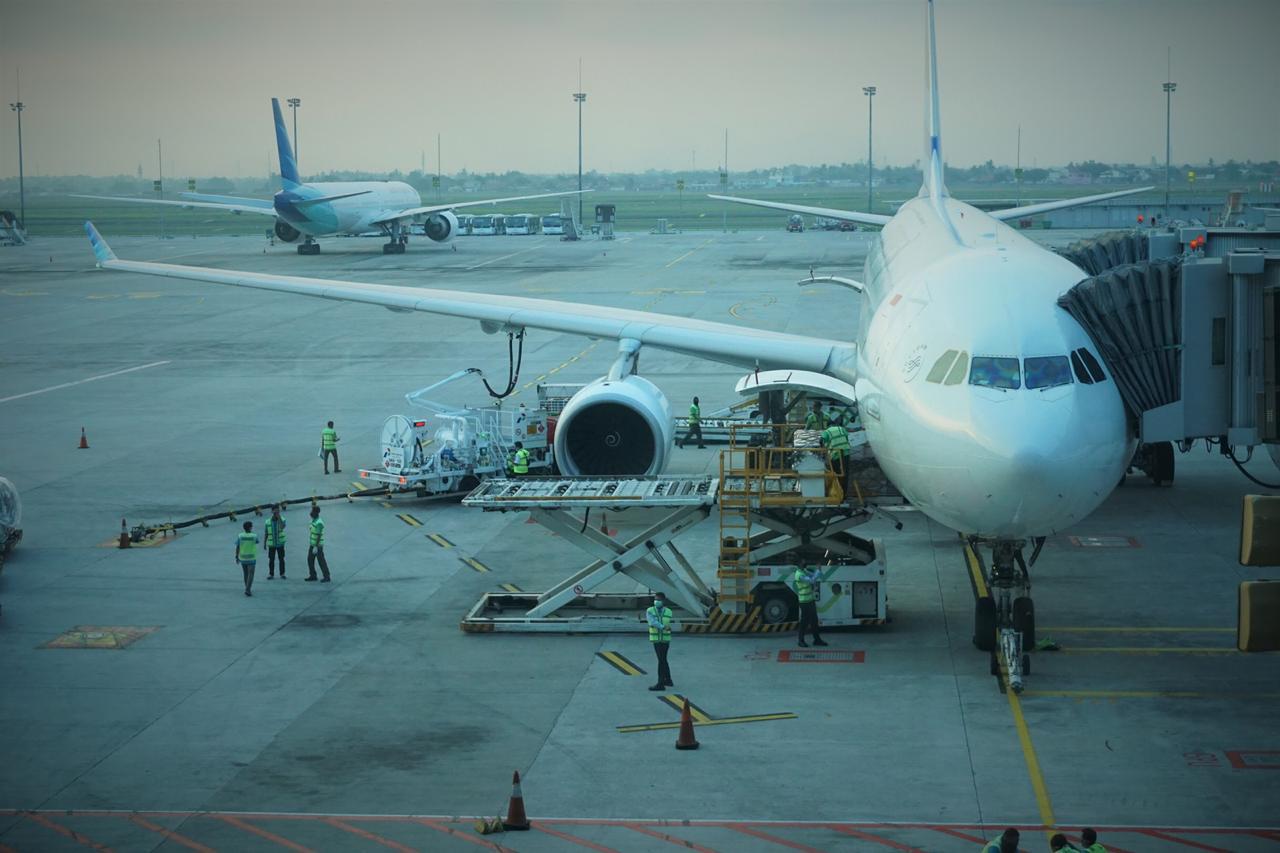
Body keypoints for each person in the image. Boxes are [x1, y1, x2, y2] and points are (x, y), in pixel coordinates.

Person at [646, 591, 674, 691]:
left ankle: (660, 684)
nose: (656, 601)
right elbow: (652, 622)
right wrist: (663, 627)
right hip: (657, 639)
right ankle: (668, 680)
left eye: (658, 600)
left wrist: (664, 628)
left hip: (665, 640)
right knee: (663, 660)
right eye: (655, 599)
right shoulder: (650, 610)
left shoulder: (668, 611)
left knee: (661, 660)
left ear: (663, 601)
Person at [793, 565, 827, 647]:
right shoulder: (799, 574)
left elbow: (812, 575)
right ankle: (800, 641)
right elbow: (811, 580)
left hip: (810, 600)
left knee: (814, 620)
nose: (805, 563)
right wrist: (818, 572)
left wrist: (816, 572)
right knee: (804, 622)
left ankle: (817, 640)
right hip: (804, 601)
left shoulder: (803, 571)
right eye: (803, 562)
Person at [820, 422, 852, 499]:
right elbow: (847, 439)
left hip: (836, 455)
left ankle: (836, 494)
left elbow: (821, 440)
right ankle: (844, 495)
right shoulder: (842, 429)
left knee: (835, 474)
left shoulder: (826, 431)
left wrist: (822, 450)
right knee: (845, 474)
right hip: (846, 453)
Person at [305, 505, 331, 582]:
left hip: (317, 545)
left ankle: (327, 576)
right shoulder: (314, 520)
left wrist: (316, 546)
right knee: (310, 559)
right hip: (312, 544)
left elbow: (319, 535)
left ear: (316, 512)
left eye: (312, 511)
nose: (311, 512)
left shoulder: (319, 523)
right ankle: (313, 575)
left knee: (321, 561)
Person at [234, 520, 257, 597]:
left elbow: (237, 547)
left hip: (243, 558)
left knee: (245, 573)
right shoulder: (254, 535)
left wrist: (236, 556)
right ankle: (247, 589)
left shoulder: (240, 536)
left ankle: (247, 588)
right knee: (251, 574)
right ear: (250, 528)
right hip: (251, 558)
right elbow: (257, 542)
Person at [264, 504, 286, 580]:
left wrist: (278, 516)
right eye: (275, 510)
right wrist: (264, 543)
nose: (276, 512)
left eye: (278, 510)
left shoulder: (282, 519)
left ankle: (282, 573)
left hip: (280, 543)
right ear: (272, 511)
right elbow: (266, 532)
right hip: (272, 544)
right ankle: (271, 574)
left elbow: (282, 526)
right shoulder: (267, 521)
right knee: (271, 560)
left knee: (281, 559)